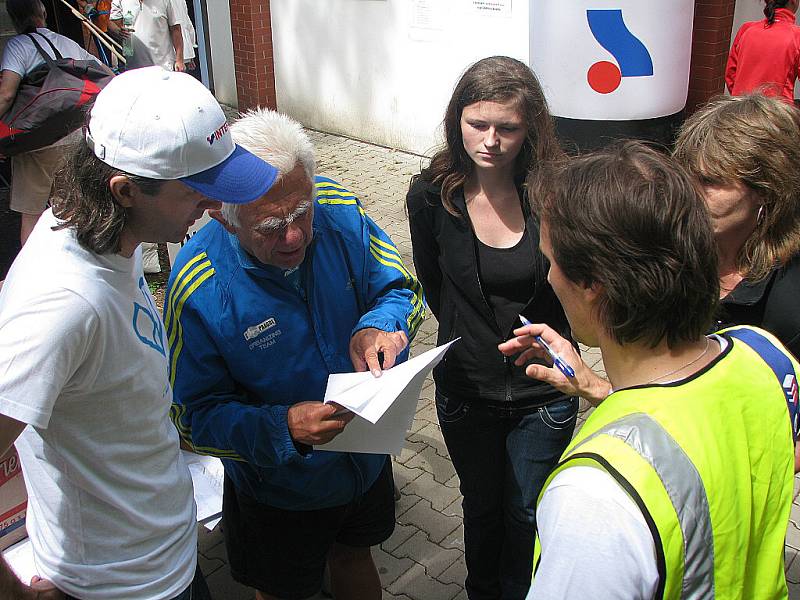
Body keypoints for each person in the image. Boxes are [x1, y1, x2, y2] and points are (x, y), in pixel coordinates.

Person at [0, 66, 278, 599]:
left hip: (166, 558)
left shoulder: (99, 232)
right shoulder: (62, 304)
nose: (217, 207)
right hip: (118, 587)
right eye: (200, 193)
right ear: (125, 190)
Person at [499, 141, 798, 599]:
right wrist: (594, 384)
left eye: (551, 260)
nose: (550, 277)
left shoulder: (595, 495)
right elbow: (694, 424)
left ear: (593, 284)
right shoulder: (767, 357)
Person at [167, 108, 424, 600]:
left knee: (355, 553)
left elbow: (401, 288)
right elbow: (192, 418)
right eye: (269, 226)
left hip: (364, 459)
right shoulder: (197, 286)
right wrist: (281, 430)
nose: (294, 237)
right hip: (279, 489)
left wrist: (381, 327)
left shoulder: (337, 207)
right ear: (223, 214)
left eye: (301, 214)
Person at [406, 56, 576, 600]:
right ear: (458, 120)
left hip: (541, 392)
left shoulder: (555, 195)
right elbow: (435, 288)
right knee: (479, 508)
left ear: (531, 129)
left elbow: (572, 289)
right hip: (466, 390)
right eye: (478, 124)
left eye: (508, 127)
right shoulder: (432, 196)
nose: (491, 141)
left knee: (525, 510)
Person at [674, 93, 800, 358]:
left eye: (709, 181)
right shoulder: (674, 253)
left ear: (767, 189)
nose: (690, 194)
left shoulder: (789, 300)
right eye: (686, 177)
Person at [0, 0, 105, 246]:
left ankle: (32, 272)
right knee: (70, 206)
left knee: (32, 213)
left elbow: (6, 94)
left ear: (14, 19)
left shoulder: (17, 45)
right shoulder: (67, 42)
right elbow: (105, 74)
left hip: (37, 143)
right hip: (74, 134)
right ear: (44, 13)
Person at [726, 0, 800, 101]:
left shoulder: (746, 29)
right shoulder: (797, 35)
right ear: (794, 1)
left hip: (740, 109)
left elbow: (731, 75)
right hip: (775, 112)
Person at [109, 0, 184, 72]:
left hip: (163, 67)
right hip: (133, 67)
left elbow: (175, 29)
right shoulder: (120, 1)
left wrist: (179, 60)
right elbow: (111, 23)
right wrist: (118, 31)